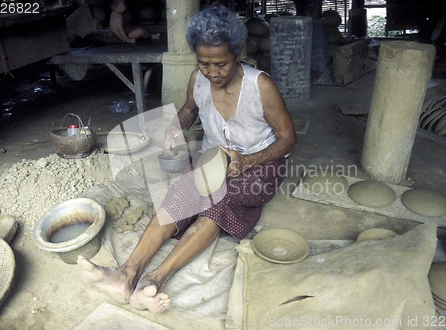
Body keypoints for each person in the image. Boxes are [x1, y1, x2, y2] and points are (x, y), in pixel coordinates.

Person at [77, 5, 296, 313]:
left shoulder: (261, 86)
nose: (212, 72)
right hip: (215, 158)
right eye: (204, 63)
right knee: (179, 196)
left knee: (217, 203)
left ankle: (153, 280)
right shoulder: (199, 78)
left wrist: (245, 163)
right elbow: (189, 109)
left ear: (239, 52)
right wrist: (173, 127)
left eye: (221, 63)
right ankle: (126, 275)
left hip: (261, 165)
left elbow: (288, 138)